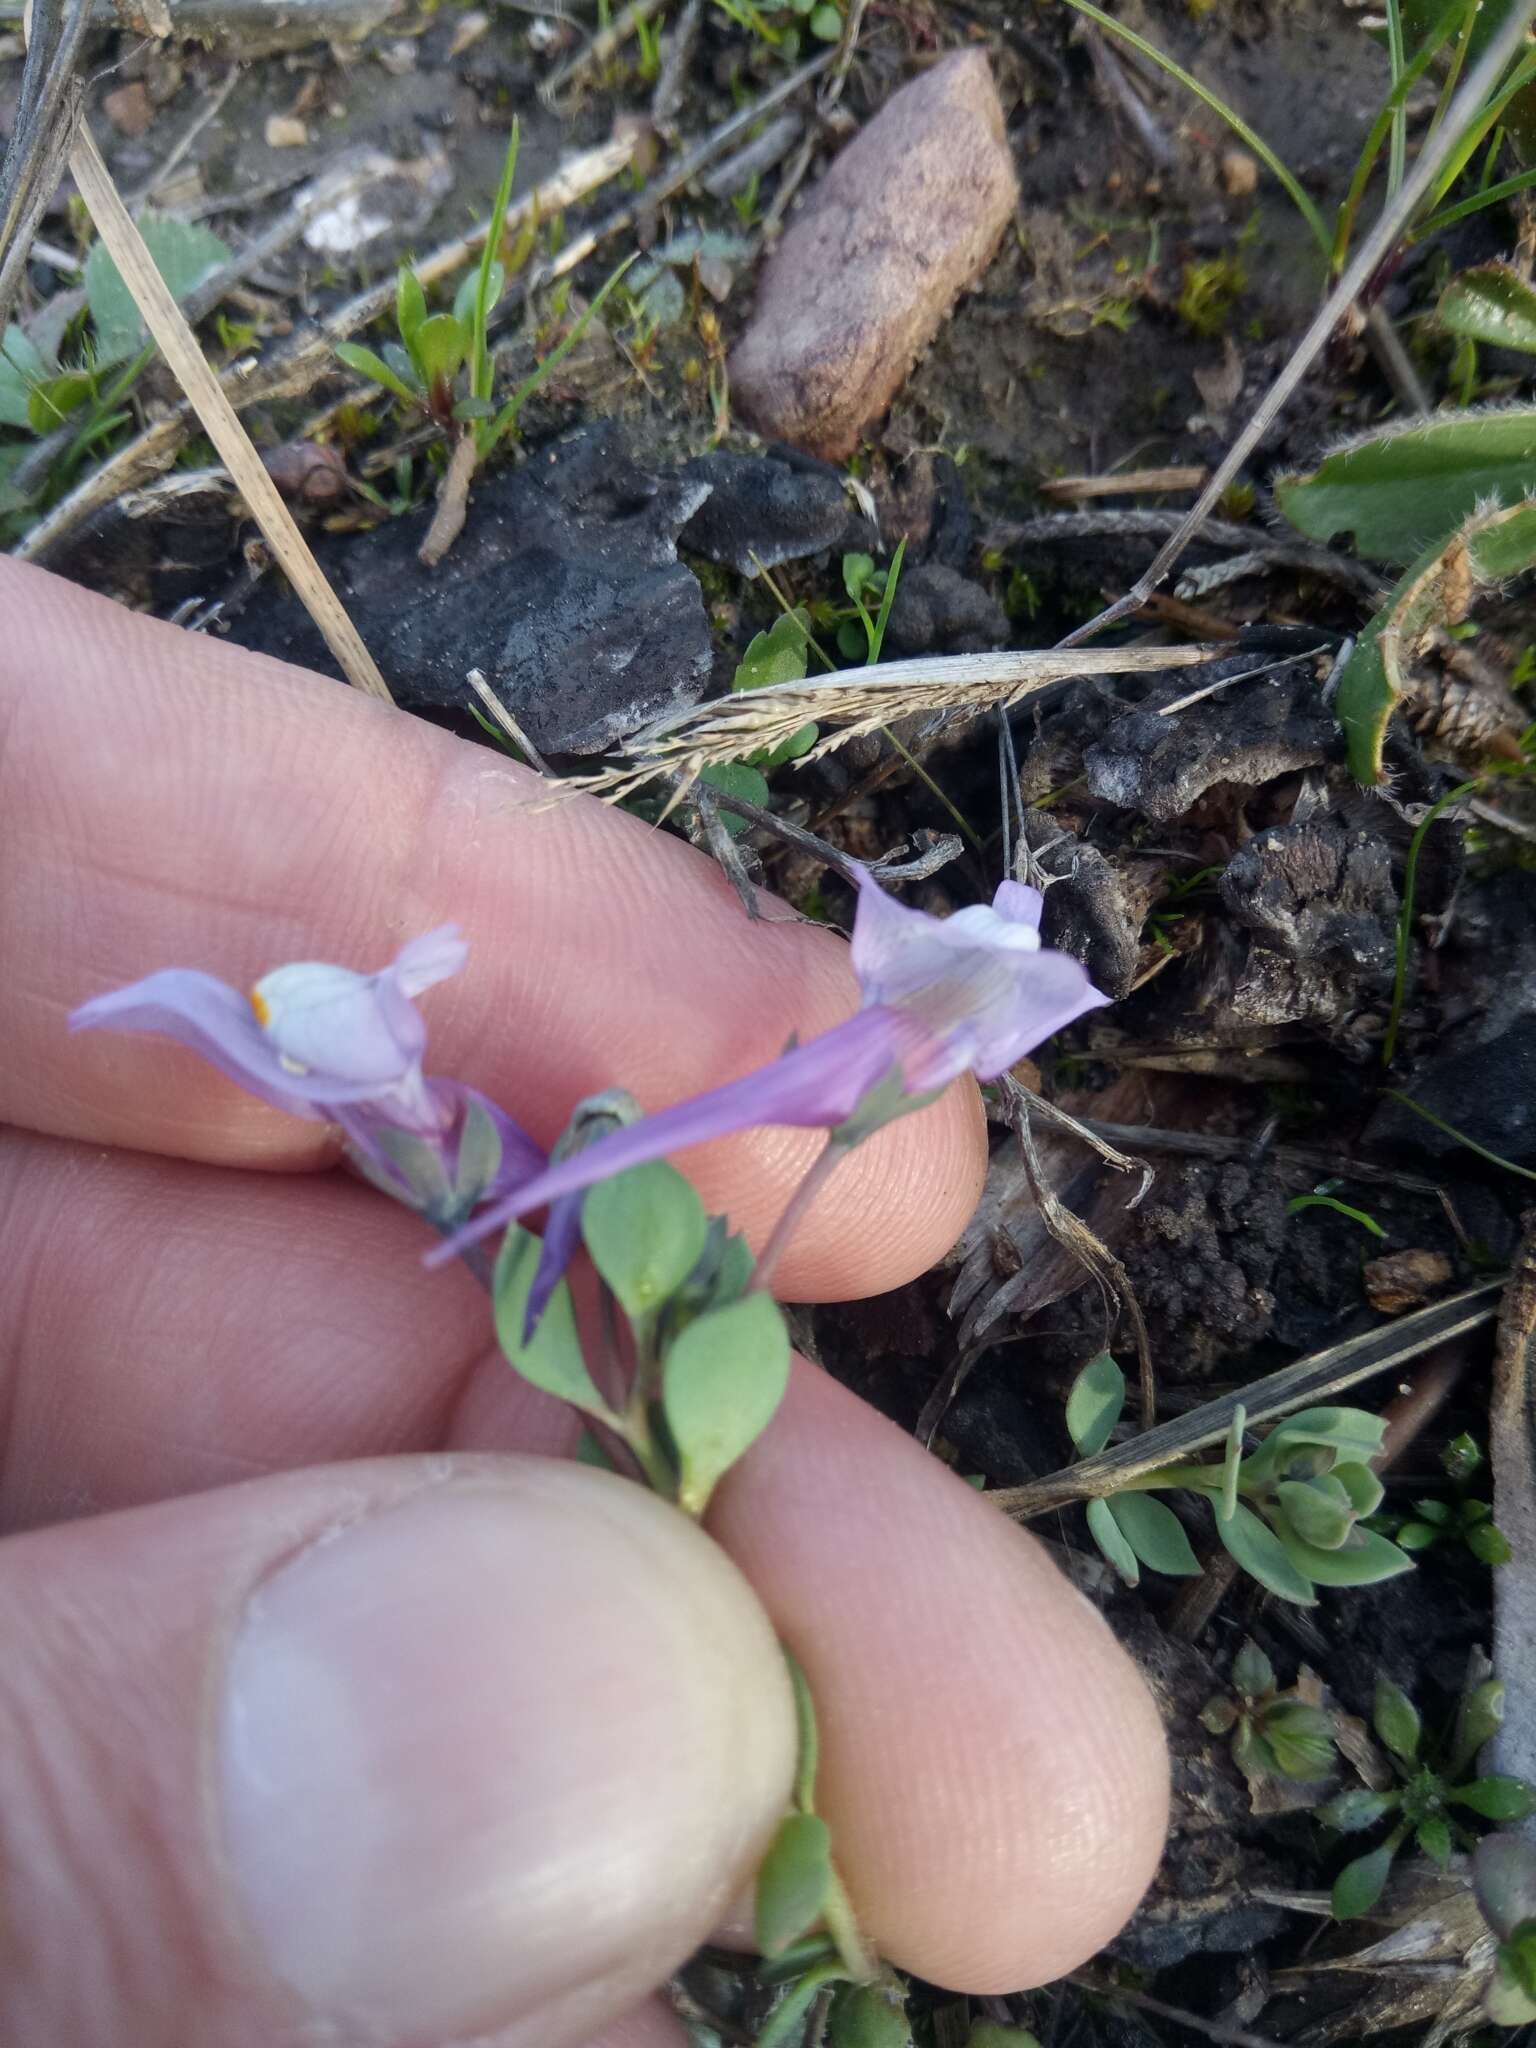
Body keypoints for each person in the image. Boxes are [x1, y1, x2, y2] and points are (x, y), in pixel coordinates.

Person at [0, 554, 1168, 2048]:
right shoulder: (841, 1062)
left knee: (664, 1193)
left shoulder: (876, 1055)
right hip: (527, 1222)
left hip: (635, 1203)